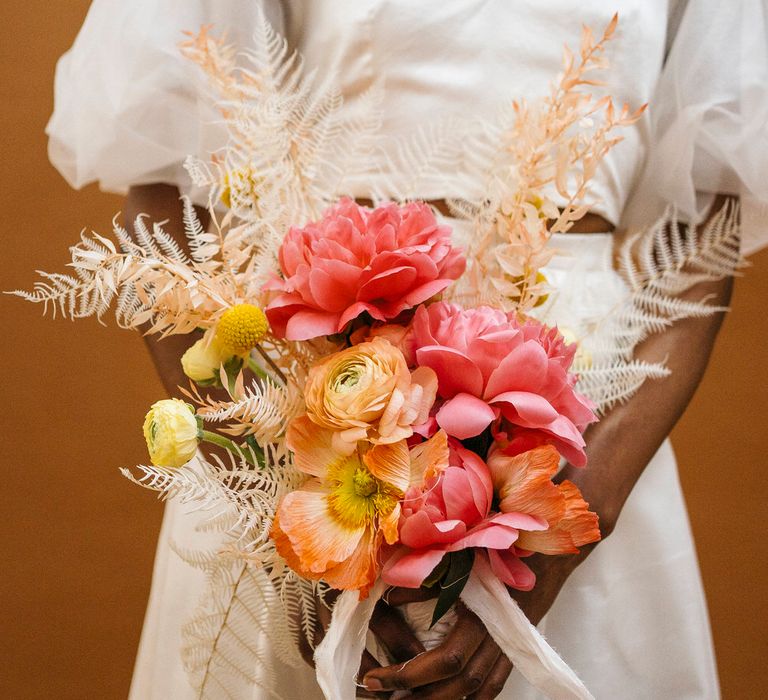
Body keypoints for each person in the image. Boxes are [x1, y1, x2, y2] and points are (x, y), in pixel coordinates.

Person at [46, 1, 768, 698]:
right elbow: (164, 190)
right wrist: (273, 515)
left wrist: (585, 509)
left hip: (586, 409)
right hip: (312, 381)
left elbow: (712, 223)